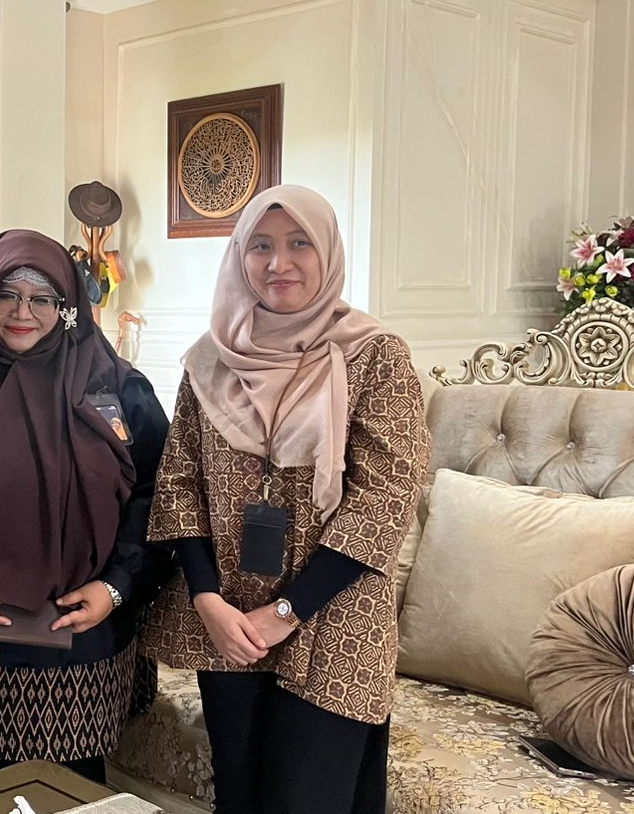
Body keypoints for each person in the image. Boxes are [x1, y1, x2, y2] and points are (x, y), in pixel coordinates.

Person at [142, 185, 430, 812]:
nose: (279, 263)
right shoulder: (210, 359)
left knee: (309, 799)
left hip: (336, 616)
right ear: (239, 255)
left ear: (328, 251)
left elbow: (385, 496)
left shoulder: (375, 355)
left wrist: (288, 611)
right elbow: (178, 482)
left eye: (300, 243)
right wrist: (207, 600)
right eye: (261, 246)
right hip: (230, 618)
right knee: (240, 797)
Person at [0, 230, 173, 787]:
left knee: (74, 788)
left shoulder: (119, 387)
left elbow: (159, 497)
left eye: (43, 298)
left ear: (66, 306)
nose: (23, 312)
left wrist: (116, 587)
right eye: (7, 295)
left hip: (84, 636)